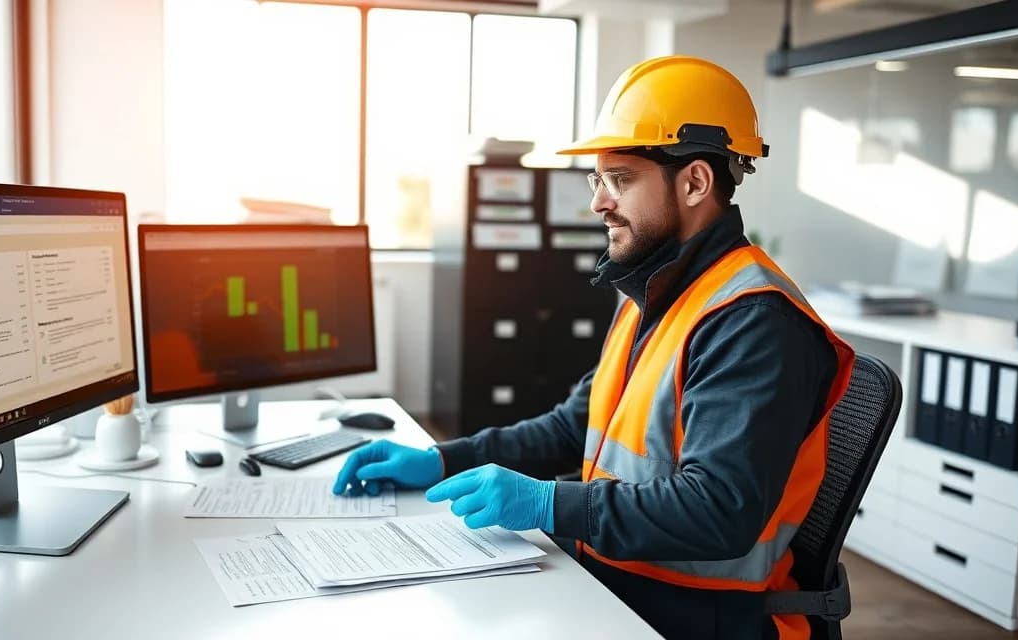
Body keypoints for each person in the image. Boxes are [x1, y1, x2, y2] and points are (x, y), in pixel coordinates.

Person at [333, 55, 855, 639]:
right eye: (597, 180)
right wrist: (444, 458)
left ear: (695, 182)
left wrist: (548, 504)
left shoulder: (751, 321)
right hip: (618, 577)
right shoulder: (655, 294)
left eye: (620, 180)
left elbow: (719, 510)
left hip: (700, 615)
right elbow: (570, 427)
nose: (598, 203)